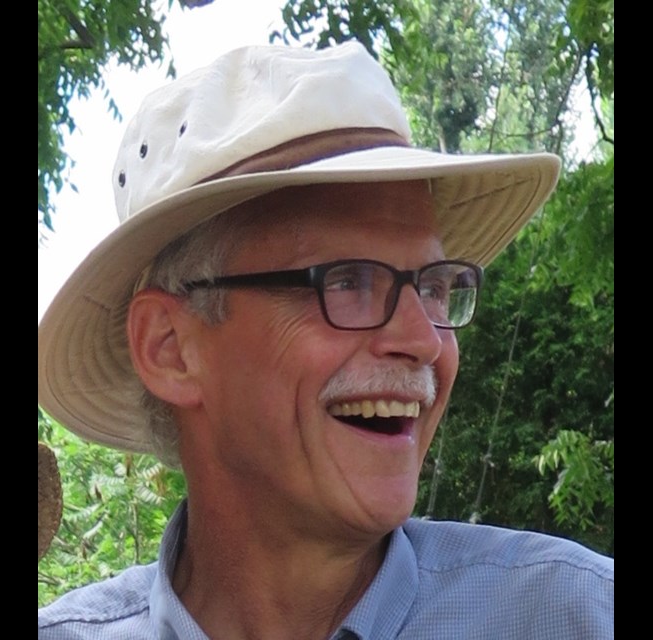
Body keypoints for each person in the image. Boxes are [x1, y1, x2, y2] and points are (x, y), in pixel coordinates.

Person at [38, 42, 614, 639]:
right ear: (169, 348)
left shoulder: (575, 617)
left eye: (436, 287)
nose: (424, 340)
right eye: (348, 281)